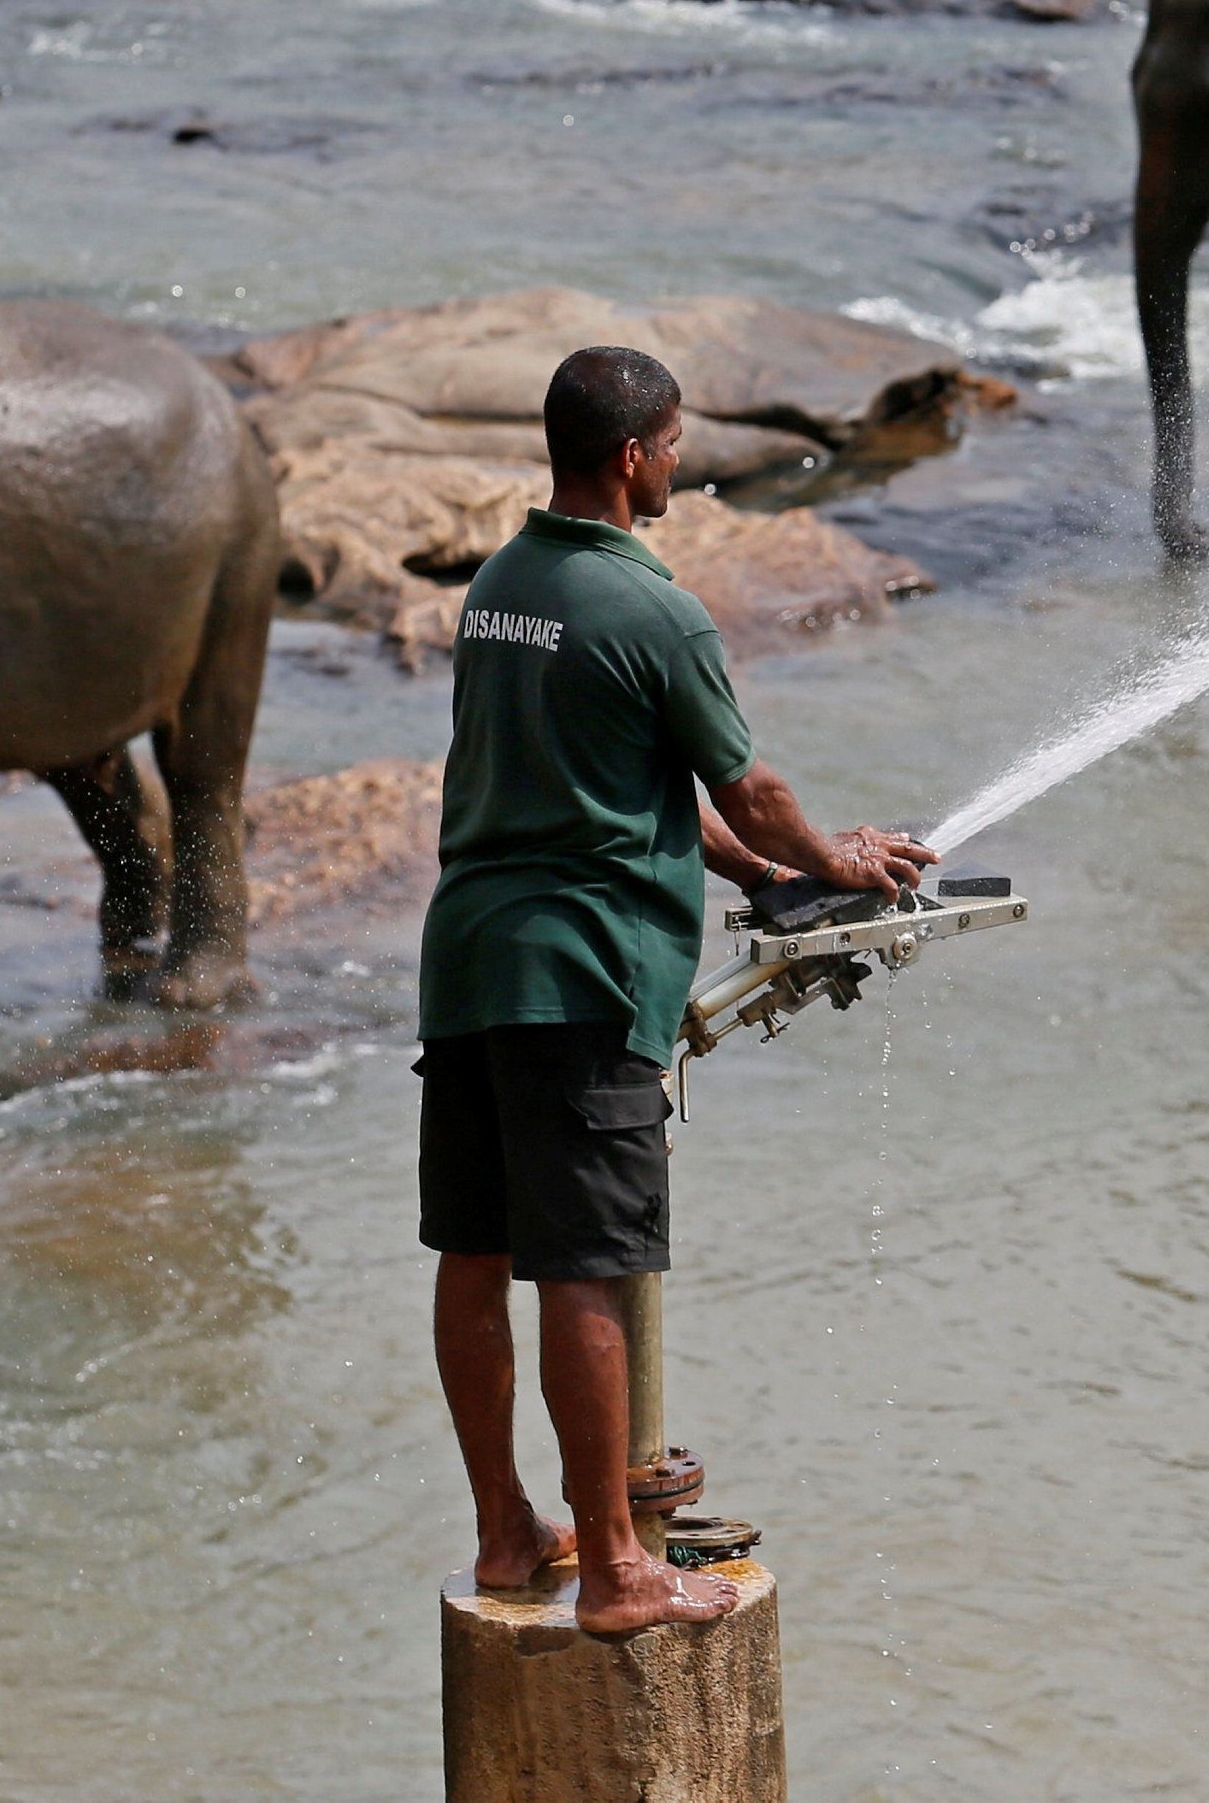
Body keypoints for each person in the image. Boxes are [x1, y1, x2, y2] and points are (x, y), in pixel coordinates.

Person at [417, 345, 936, 1633]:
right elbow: (741, 784)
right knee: (586, 1268)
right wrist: (836, 859)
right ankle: (615, 1568)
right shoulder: (656, 610)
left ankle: (505, 1532)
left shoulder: (502, 587)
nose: (684, 464)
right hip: (583, 972)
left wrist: (764, 869)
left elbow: (614, 780)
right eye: (676, 445)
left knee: (474, 1256)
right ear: (637, 457)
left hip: (472, 957)